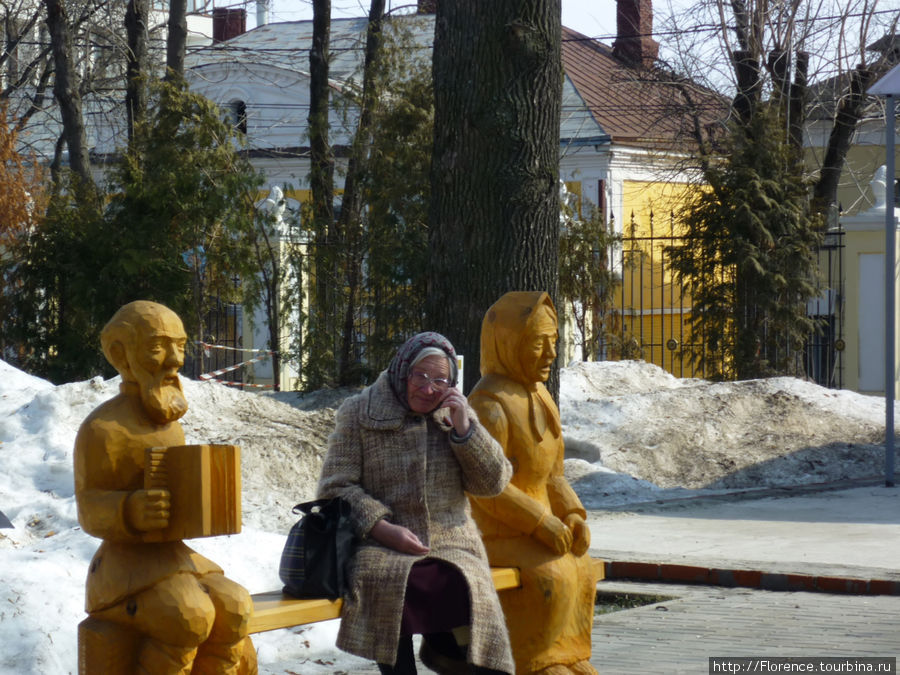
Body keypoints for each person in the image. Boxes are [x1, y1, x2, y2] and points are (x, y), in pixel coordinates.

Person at [317, 332, 515, 675]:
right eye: (420, 377)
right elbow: (335, 487)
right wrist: (381, 528)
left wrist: (465, 431)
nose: (428, 388)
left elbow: (493, 483)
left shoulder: (453, 413)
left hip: (451, 541)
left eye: (440, 380)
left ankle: (459, 660)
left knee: (460, 583)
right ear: (402, 371)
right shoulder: (358, 413)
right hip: (380, 544)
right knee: (390, 584)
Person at [74, 300, 256, 674]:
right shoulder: (102, 428)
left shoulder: (171, 425)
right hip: (125, 570)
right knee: (188, 614)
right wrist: (129, 510)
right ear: (120, 354)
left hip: (175, 559)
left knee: (236, 605)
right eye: (158, 346)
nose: (175, 360)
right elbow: (89, 506)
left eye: (181, 346)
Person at [468, 292, 597, 675]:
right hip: (501, 535)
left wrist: (572, 513)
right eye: (538, 343)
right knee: (550, 575)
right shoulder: (488, 405)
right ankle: (533, 662)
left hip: (541, 531)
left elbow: (554, 474)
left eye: (553, 342)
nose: (550, 354)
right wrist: (539, 523)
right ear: (508, 344)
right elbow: (485, 487)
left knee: (583, 568)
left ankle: (570, 655)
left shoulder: (541, 397)